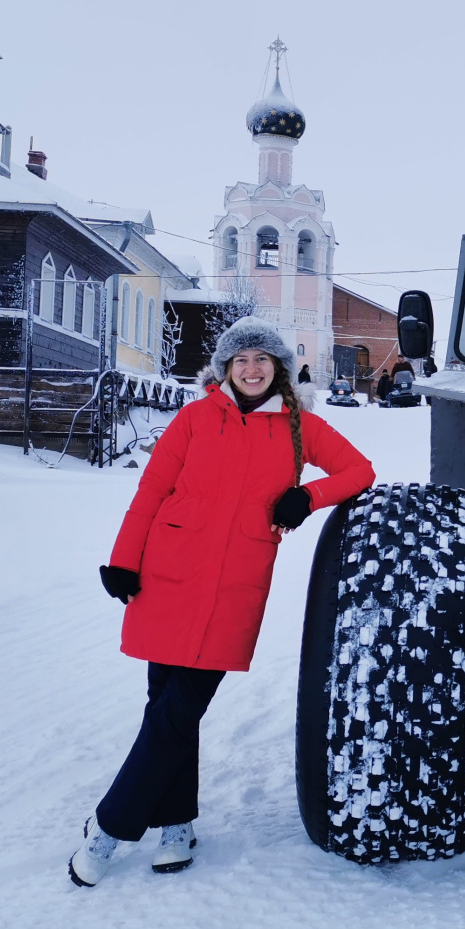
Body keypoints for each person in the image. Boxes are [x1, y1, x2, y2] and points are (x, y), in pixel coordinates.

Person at [69, 317, 375, 887]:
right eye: (241, 361)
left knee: (177, 710)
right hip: (168, 574)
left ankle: (109, 826)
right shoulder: (194, 418)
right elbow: (152, 490)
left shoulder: (299, 428)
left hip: (234, 584)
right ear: (225, 368)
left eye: (263, 360)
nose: (252, 369)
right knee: (167, 708)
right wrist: (124, 559)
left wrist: (306, 497)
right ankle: (177, 824)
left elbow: (360, 472)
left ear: (279, 368)